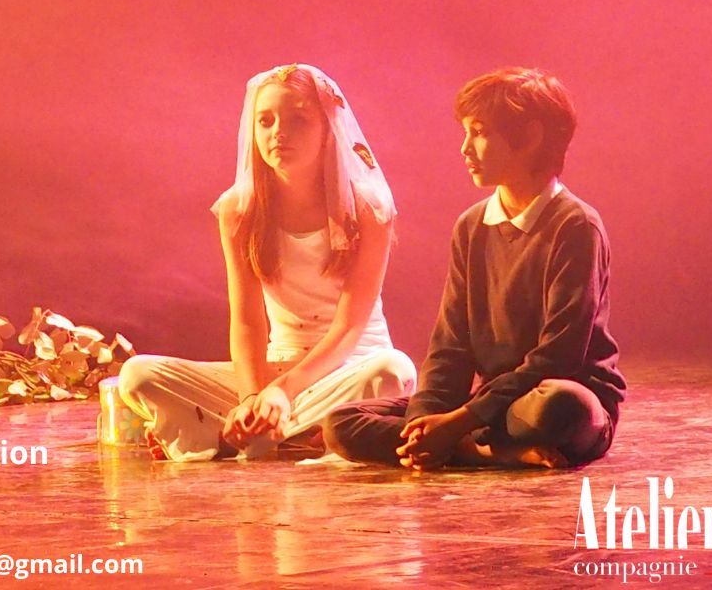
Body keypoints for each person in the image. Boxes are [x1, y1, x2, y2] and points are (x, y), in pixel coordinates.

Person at [324, 67, 625, 470]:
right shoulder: (472, 226)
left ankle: (469, 442)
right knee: (341, 424)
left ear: (531, 137)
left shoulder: (575, 225)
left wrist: (460, 421)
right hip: (490, 405)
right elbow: (450, 346)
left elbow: (559, 357)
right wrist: (424, 425)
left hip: (548, 399)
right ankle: (482, 450)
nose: (465, 148)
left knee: (559, 406)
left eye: (479, 133)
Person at [118, 64, 416, 462]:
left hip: (352, 366)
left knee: (393, 371)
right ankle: (295, 433)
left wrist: (282, 393)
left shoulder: (367, 207)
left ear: (328, 129)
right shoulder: (239, 209)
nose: (278, 132)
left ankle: (243, 437)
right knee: (138, 374)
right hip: (276, 370)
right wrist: (252, 397)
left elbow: (350, 326)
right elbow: (246, 321)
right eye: (266, 121)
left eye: (297, 120)